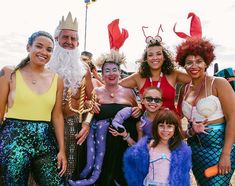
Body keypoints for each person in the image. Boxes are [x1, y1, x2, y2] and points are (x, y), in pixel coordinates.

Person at [0, 31, 67, 185]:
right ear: (28, 47)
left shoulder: (57, 79)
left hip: (46, 141)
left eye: (49, 49)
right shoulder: (9, 73)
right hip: (13, 141)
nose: (44, 52)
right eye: (39, 46)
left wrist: (61, 150)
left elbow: (57, 116)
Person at [69, 50, 141, 186]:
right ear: (102, 74)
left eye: (115, 70)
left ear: (120, 72)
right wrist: (87, 103)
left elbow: (136, 112)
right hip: (102, 147)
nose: (111, 73)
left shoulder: (129, 92)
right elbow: (86, 114)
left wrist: (139, 110)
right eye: (107, 70)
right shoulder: (96, 92)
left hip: (124, 144)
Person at [176, 36, 235, 185]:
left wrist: (226, 154)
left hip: (219, 149)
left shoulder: (218, 83)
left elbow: (233, 117)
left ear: (206, 63)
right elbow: (177, 118)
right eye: (189, 62)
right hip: (195, 150)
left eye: (199, 61)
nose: (194, 66)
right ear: (184, 65)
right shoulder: (184, 88)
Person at [47, 12, 96, 182]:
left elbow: (93, 101)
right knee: (44, 171)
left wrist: (87, 123)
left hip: (73, 126)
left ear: (78, 43)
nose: (69, 42)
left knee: (70, 171)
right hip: (46, 125)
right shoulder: (45, 66)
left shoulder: (84, 69)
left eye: (73, 39)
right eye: (65, 37)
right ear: (56, 38)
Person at [120, 38, 190, 114]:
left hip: (170, 122)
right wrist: (135, 105)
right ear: (146, 59)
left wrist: (180, 104)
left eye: (159, 54)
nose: (155, 58)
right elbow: (116, 85)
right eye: (150, 55)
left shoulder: (173, 74)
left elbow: (197, 80)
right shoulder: (139, 76)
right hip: (147, 123)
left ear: (164, 57)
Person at [123, 108, 192, 186]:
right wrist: (126, 136)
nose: (165, 130)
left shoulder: (181, 150)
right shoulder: (149, 146)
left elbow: (184, 174)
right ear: (156, 127)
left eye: (169, 126)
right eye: (161, 126)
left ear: (175, 129)